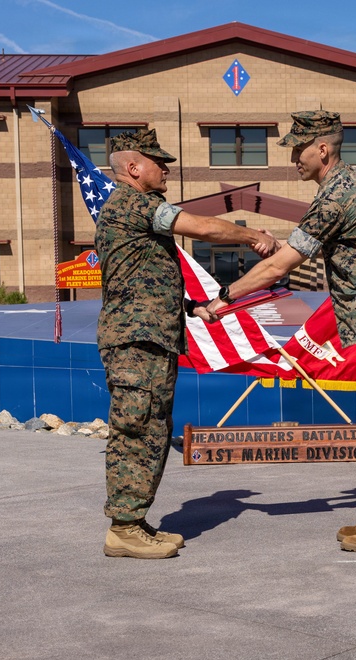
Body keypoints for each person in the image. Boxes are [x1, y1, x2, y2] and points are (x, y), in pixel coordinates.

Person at [207, 111, 356, 552]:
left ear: (322, 148)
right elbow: (297, 247)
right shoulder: (349, 182)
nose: (293, 159)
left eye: (298, 149)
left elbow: (280, 266)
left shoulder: (337, 195)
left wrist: (224, 298)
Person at [96, 128, 276, 559]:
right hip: (135, 341)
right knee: (136, 429)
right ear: (133, 168)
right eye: (158, 162)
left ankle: (134, 522)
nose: (167, 169)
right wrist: (251, 236)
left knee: (154, 428)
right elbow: (202, 227)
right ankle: (123, 527)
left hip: (149, 337)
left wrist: (194, 306)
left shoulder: (136, 210)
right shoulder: (133, 204)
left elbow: (142, 280)